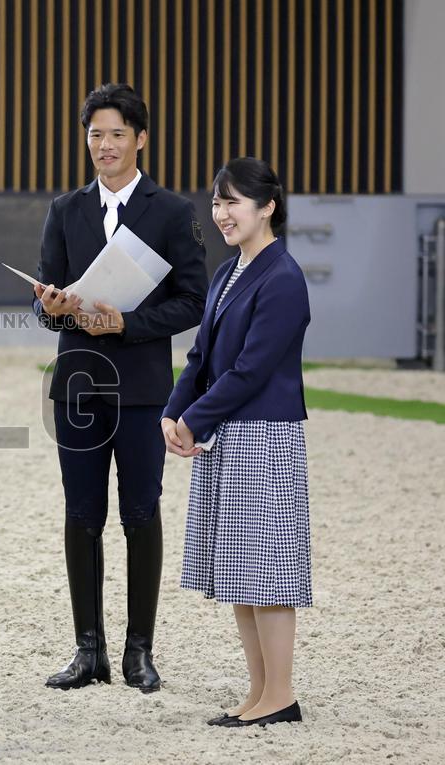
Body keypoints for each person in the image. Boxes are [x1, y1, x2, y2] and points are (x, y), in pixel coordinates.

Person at [33, 83, 208, 693]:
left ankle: (139, 651)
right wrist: (53, 307)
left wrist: (128, 323)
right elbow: (46, 309)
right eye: (94, 135)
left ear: (140, 139)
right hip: (78, 388)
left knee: (140, 513)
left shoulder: (171, 211)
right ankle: (89, 652)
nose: (103, 146)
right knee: (81, 515)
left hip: (139, 390)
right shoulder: (64, 210)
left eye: (115, 134)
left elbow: (194, 301)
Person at [161, 157, 311, 727]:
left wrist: (193, 421)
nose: (222, 214)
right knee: (242, 572)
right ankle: (262, 692)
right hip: (227, 432)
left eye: (233, 202)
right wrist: (173, 413)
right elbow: (201, 357)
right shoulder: (227, 274)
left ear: (267, 206)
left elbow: (251, 370)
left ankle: (283, 694)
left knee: (269, 571)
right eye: (217, 203)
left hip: (266, 436)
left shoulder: (284, 277)